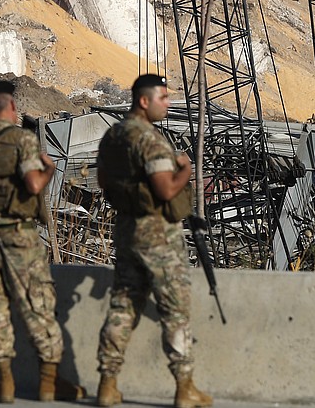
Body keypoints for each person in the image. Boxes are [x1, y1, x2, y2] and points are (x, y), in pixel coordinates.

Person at [0, 79, 84, 404]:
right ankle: (48, 383)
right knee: (38, 306)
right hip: (20, 238)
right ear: (11, 107)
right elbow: (33, 184)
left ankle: (5, 385)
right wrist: (50, 170)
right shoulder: (23, 140)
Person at [94, 74, 211, 408]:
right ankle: (185, 388)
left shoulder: (113, 136)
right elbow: (165, 190)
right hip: (158, 235)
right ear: (143, 101)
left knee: (123, 306)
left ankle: (107, 383)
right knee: (175, 308)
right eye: (163, 97)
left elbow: (103, 180)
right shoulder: (150, 140)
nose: (168, 103)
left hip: (127, 231)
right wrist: (186, 170)